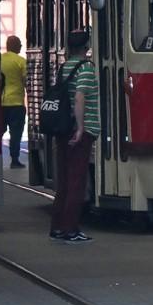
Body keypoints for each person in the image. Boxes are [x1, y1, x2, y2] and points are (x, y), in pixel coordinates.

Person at [50, 30, 98, 244]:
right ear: (86, 47)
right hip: (79, 131)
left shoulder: (65, 66)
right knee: (77, 182)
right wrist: (80, 128)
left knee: (64, 181)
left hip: (62, 129)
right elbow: (79, 98)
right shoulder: (86, 68)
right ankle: (71, 229)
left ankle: (57, 227)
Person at [0, 35, 27, 169]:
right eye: (20, 44)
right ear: (15, 46)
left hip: (0, 103)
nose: (21, 46)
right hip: (16, 103)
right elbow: (26, 81)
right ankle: (14, 160)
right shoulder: (21, 61)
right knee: (15, 134)